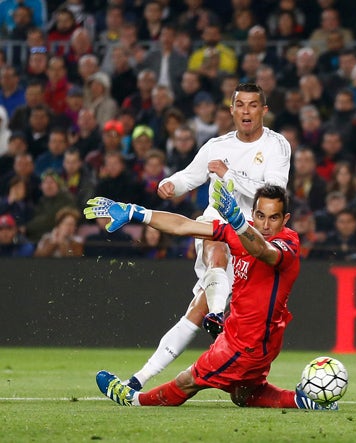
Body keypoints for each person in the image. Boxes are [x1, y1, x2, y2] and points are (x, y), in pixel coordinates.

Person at [86, 181, 335, 410]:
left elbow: (263, 251)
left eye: (274, 217)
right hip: (250, 340)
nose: (266, 225)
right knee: (243, 395)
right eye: (260, 216)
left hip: (246, 344)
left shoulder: (287, 243)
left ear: (285, 219)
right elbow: (183, 225)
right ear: (253, 215)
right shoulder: (237, 232)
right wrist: (137, 213)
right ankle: (301, 400)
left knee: (187, 381)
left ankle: (134, 399)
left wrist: (238, 222)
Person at [124, 83, 291, 391]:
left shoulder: (277, 146)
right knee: (216, 250)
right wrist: (171, 183)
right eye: (240, 104)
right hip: (217, 224)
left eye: (253, 105)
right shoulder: (217, 146)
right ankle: (138, 379)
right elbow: (190, 175)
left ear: (263, 111)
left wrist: (230, 176)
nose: (246, 111)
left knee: (193, 311)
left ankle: (211, 319)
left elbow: (274, 195)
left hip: (253, 236)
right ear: (231, 110)